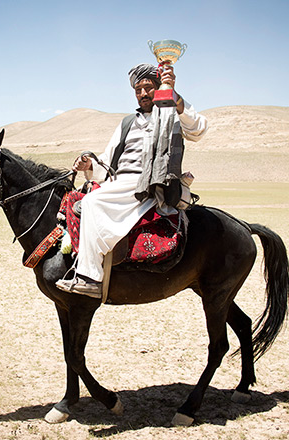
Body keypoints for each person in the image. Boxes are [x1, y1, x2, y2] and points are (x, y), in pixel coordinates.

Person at [55, 62, 208, 298]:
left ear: (159, 88)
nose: (143, 94)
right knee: (81, 201)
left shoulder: (172, 115)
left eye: (148, 87)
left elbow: (198, 129)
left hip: (148, 183)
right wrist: (89, 165)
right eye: (138, 90)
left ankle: (90, 278)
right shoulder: (127, 123)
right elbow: (107, 160)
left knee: (92, 203)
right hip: (120, 182)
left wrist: (175, 96)